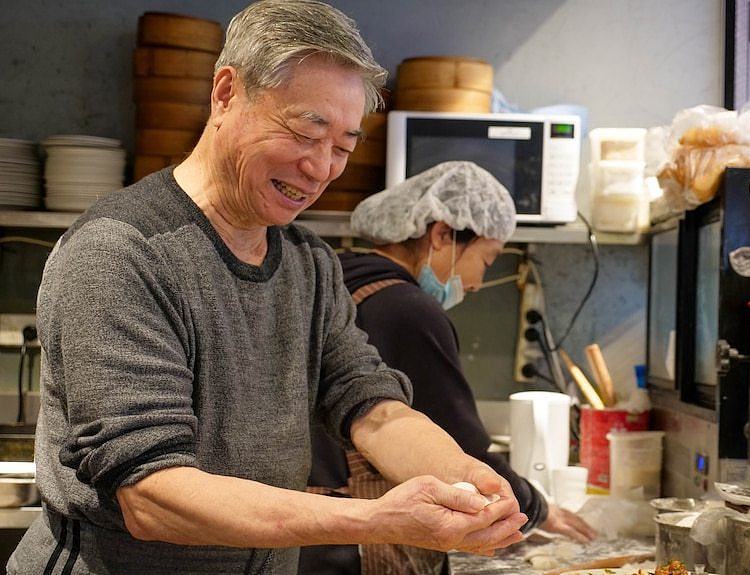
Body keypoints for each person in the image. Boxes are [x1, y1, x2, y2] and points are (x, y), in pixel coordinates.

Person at [8, 2, 530, 574]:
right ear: (226, 92)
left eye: (344, 146)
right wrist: (377, 518)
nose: (322, 168)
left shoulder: (309, 264)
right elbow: (153, 495)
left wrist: (467, 479)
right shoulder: (119, 254)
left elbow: (373, 408)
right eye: (306, 132)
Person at [299, 161, 597, 575]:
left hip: (304, 526)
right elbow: (460, 450)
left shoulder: (337, 280)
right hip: (357, 542)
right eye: (487, 261)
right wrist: (538, 509)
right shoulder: (408, 308)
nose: (475, 284)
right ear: (442, 234)